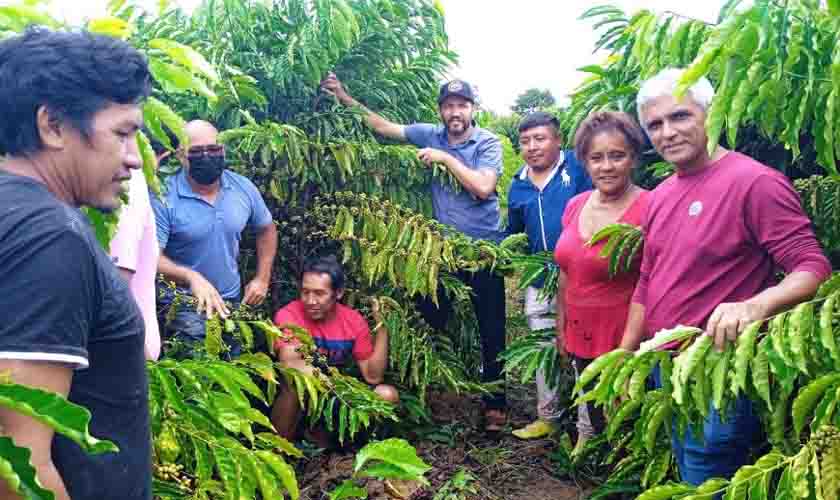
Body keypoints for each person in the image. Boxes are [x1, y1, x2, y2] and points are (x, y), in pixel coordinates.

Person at [620, 68, 831, 485]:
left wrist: (755, 305)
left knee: (708, 469)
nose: (667, 133)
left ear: (710, 112)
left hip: (719, 367)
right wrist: (627, 352)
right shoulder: (660, 195)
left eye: (680, 117)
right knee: (687, 463)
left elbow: (812, 267)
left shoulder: (755, 183)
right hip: (667, 362)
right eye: (655, 125)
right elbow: (648, 278)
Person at [0, 27, 152, 499]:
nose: (133, 159)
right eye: (122, 133)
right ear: (53, 125)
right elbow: (16, 465)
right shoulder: (50, 237)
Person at [322, 73, 509, 431]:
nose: (455, 112)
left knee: (491, 329)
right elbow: (382, 126)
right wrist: (342, 95)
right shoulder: (431, 133)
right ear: (441, 110)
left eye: (462, 105)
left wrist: (445, 159)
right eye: (449, 106)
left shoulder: (487, 143)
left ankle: (495, 403)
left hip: (483, 251)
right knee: (430, 319)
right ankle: (427, 388)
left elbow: (483, 188)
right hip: (440, 251)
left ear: (472, 109)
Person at [553, 111, 650, 453]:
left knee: (629, 417)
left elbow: (653, 280)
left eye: (617, 156)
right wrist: (561, 324)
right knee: (596, 410)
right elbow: (566, 271)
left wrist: (629, 346)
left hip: (626, 333)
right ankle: (602, 470)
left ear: (634, 158)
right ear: (584, 163)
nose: (606, 166)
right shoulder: (576, 205)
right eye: (596, 158)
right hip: (582, 329)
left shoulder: (650, 207)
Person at [152, 120, 278, 356]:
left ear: (223, 150)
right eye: (197, 152)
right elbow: (151, 257)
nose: (207, 156)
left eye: (213, 149)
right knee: (198, 371)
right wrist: (191, 277)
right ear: (181, 156)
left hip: (231, 301)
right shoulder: (164, 195)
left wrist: (262, 278)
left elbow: (267, 229)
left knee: (233, 368)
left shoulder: (242, 188)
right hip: (183, 302)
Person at [505, 111, 592, 439]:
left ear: (558, 140)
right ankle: (549, 417)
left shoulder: (580, 168)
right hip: (540, 281)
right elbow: (513, 232)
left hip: (583, 279)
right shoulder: (518, 185)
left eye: (540, 139)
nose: (532, 147)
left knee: (583, 350)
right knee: (545, 349)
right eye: (525, 141)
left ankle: (589, 429)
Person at [270, 255, 398, 442]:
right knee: (293, 385)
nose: (311, 301)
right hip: (306, 396)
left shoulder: (353, 320)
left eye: (319, 293)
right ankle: (278, 449)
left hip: (337, 397)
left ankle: (358, 449)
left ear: (338, 293)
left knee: (387, 395)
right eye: (305, 292)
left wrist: (382, 328)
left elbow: (373, 376)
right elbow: (291, 365)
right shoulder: (288, 315)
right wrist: (335, 386)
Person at [110, 134, 161, 360]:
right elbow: (117, 284)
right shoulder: (126, 180)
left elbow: (117, 282)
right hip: (121, 352)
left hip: (125, 352)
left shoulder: (126, 179)